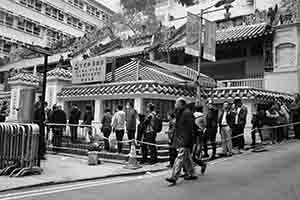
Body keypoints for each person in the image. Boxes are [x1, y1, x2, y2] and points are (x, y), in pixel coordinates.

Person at [166, 98, 197, 185]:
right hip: (181, 138)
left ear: (181, 104)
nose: (175, 104)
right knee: (186, 158)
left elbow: (191, 128)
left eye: (176, 103)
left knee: (179, 158)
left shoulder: (187, 113)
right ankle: (192, 173)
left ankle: (174, 176)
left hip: (185, 139)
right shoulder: (180, 113)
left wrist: (189, 140)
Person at [192, 105, 207, 174]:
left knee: (191, 154)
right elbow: (205, 125)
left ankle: (189, 171)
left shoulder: (192, 115)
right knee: (195, 152)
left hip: (193, 135)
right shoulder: (203, 117)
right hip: (200, 135)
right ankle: (201, 163)